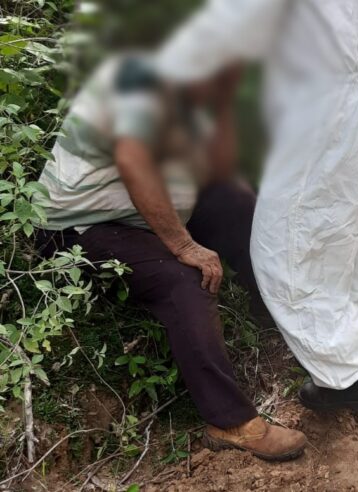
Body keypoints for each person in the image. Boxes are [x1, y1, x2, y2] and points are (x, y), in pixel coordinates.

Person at [35, 55, 307, 460]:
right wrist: (183, 245)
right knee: (181, 278)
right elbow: (134, 161)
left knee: (238, 203)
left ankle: (275, 312)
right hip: (80, 227)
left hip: (145, 211)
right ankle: (230, 421)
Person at [154, 0, 358, 411]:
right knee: (355, 247)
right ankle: (343, 369)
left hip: (324, 106)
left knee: (284, 245)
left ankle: (348, 375)